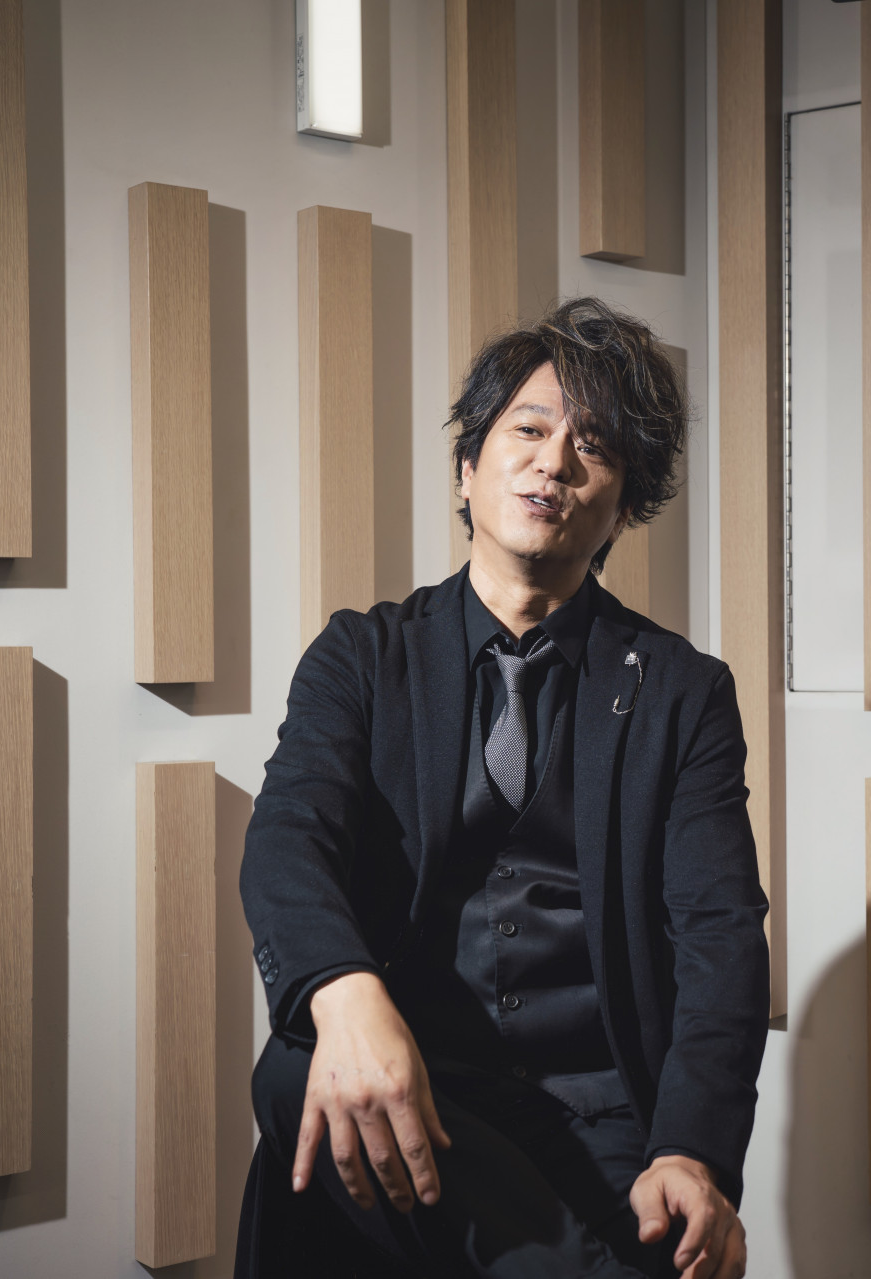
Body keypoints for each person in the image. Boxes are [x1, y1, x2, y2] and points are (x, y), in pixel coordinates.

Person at [236, 298, 771, 1279]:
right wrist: (350, 998)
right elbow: (287, 840)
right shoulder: (363, 656)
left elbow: (720, 935)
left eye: (592, 446)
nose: (554, 460)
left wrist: (692, 1152)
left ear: (623, 506)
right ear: (467, 467)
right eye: (528, 429)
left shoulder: (684, 693)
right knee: (295, 1066)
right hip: (415, 1080)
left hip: (598, 1107)